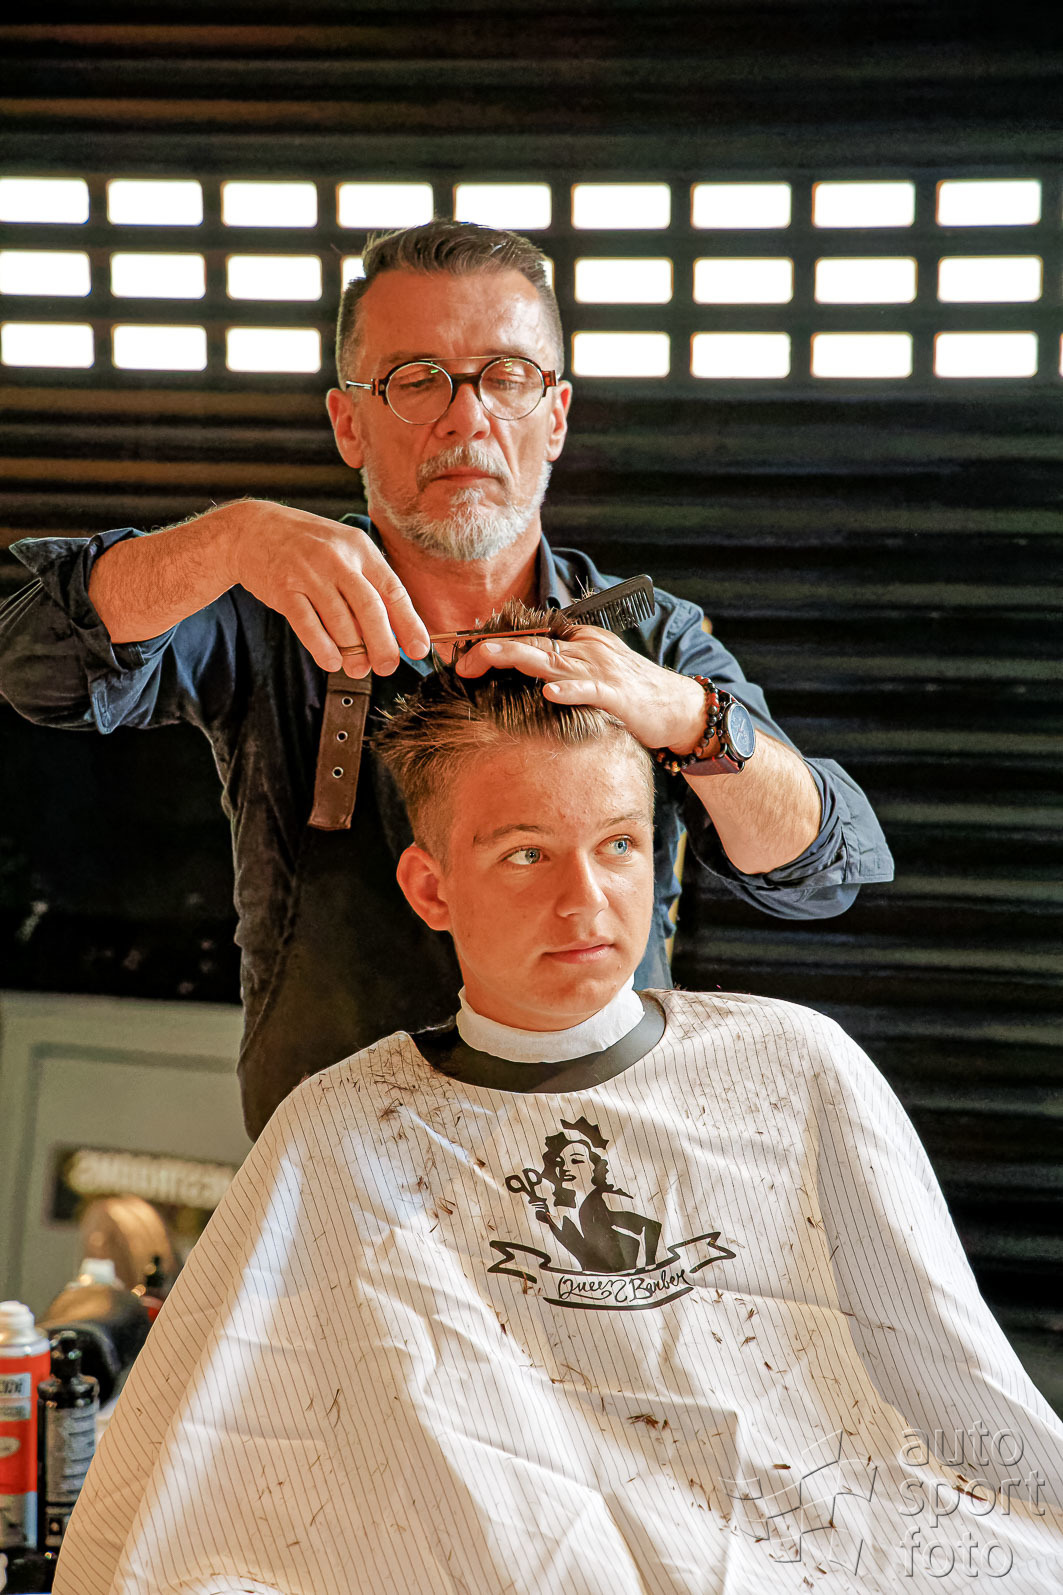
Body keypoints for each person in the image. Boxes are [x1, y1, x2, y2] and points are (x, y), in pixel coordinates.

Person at [54, 613, 1060, 1595]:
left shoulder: (791, 1067)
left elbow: (950, 1399)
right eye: (526, 854)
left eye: (617, 844)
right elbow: (212, 1481)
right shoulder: (343, 1134)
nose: (584, 900)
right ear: (431, 887)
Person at [0, 220, 893, 1139]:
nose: (466, 418)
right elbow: (35, 665)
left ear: (555, 415)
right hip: (346, 1171)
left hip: (602, 1154)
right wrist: (228, 538)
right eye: (415, 378)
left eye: (505, 376)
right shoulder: (270, 611)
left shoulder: (651, 638)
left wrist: (684, 714)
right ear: (348, 423)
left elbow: (818, 871)